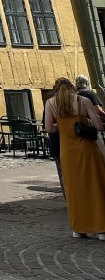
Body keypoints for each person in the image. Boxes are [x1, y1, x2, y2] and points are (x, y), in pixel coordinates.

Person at [43, 77, 105, 238]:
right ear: (72, 87)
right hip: (88, 150)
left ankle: (79, 228)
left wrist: (64, 124)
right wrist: (85, 122)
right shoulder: (83, 100)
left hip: (68, 152)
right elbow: (99, 126)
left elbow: (49, 128)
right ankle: (101, 228)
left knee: (74, 190)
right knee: (95, 187)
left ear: (56, 90)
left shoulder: (50, 103)